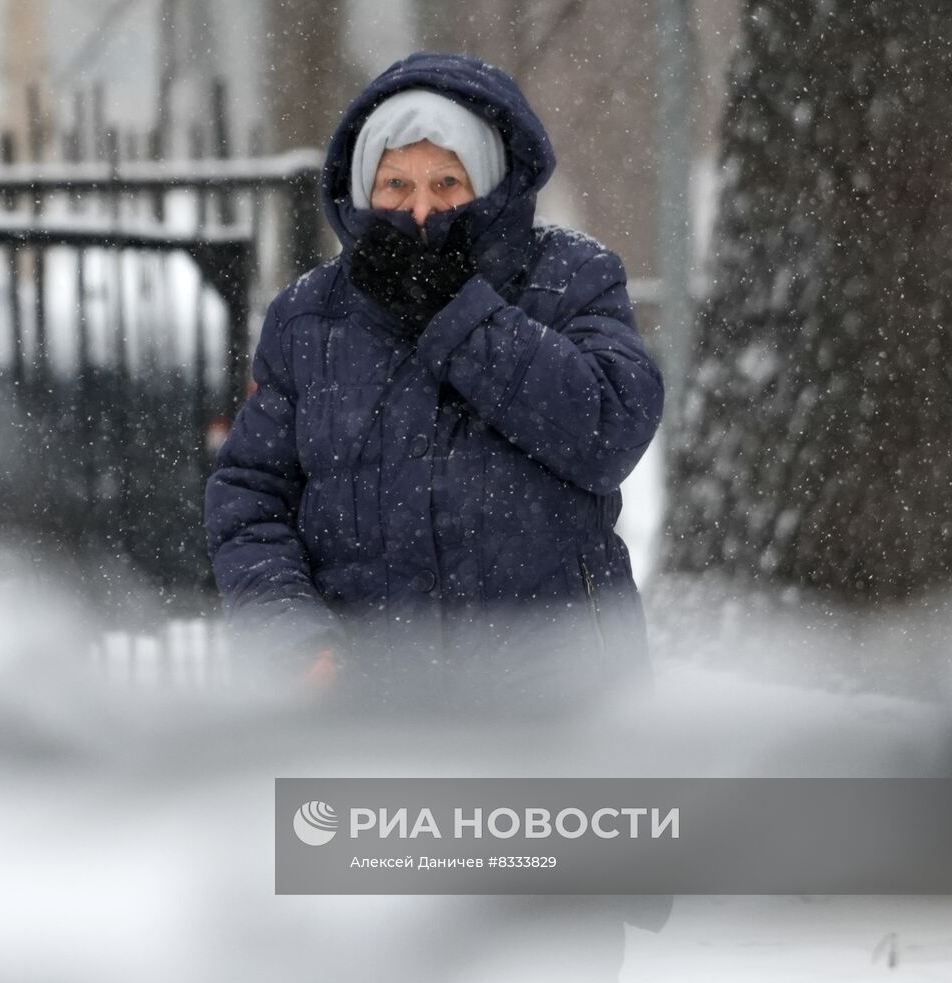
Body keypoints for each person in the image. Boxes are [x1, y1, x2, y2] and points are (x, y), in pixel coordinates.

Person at [205, 51, 664, 719]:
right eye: (395, 185)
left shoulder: (571, 277)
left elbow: (608, 429)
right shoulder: (308, 316)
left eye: (448, 182)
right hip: (372, 704)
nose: (421, 212)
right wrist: (291, 638)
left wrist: (459, 312)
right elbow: (250, 500)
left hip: (560, 696)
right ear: (363, 192)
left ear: (490, 185)